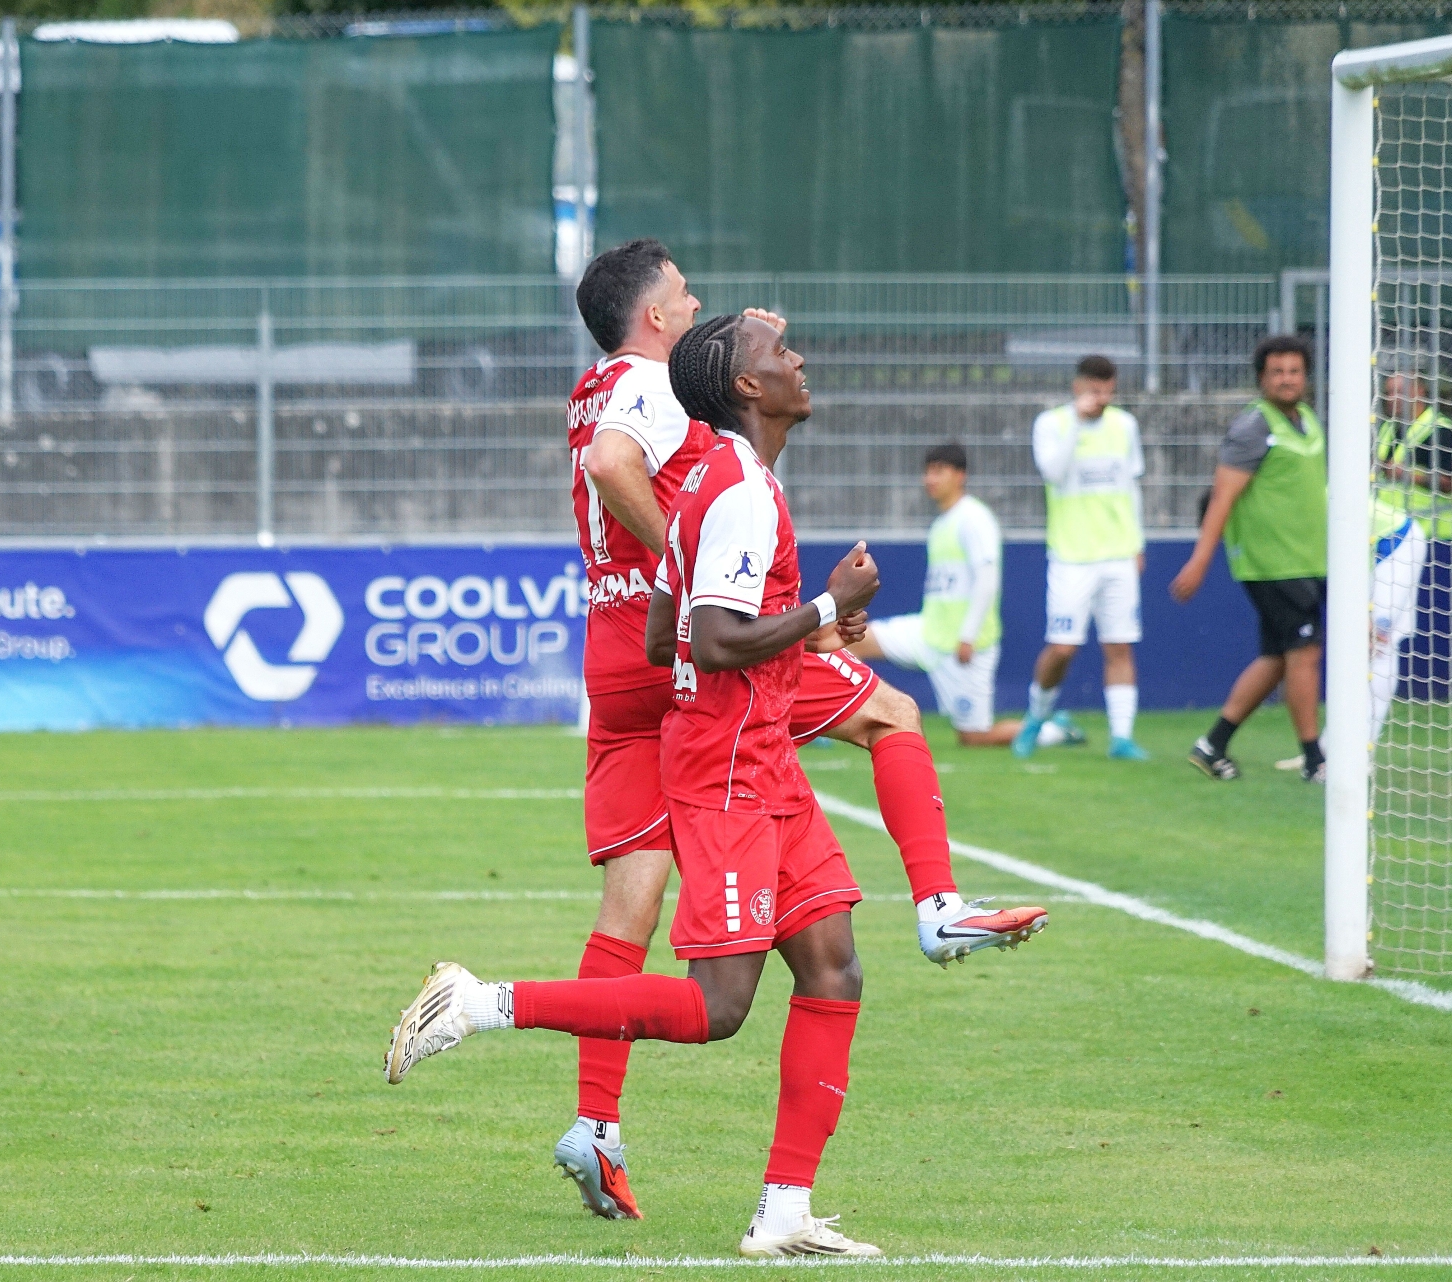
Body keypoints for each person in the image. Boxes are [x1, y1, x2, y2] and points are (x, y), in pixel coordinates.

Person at [387, 314, 1046, 1259]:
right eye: (778, 354)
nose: (797, 359)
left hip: (760, 756)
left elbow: (667, 634)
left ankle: (784, 1212)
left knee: (833, 967)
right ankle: (480, 1001)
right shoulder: (736, 487)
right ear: (746, 386)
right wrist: (827, 606)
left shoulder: (712, 479)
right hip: (730, 772)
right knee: (717, 1008)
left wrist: (797, 627)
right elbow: (712, 641)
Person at [557, 240, 1047, 1221]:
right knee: (893, 713)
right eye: (683, 294)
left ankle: (596, 1123)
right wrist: (697, 562)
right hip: (686, 650)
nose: (694, 302)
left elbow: (626, 454)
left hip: (617, 654)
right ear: (653, 317)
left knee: (630, 907)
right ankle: (937, 904)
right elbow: (621, 467)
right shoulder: (649, 383)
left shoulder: (591, 388)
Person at [1170, 335, 1327, 782]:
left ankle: (1213, 745)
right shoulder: (1253, 428)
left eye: (1294, 371)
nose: (1286, 380)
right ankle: (1314, 760)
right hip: (1271, 563)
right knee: (1305, 652)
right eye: (1277, 372)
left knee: (1278, 658)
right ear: (1261, 378)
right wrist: (1200, 559)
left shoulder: (1308, 420)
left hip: (1307, 560)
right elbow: (1222, 497)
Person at [1276, 371, 1449, 769]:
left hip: (1400, 546)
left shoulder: (1308, 502)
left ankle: (1357, 754)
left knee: (1377, 644)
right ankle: (1332, 749)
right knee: (1365, 646)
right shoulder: (1304, 499)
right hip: (1378, 552)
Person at [850, 443, 1055, 749]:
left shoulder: (974, 518)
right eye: (928, 472)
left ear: (960, 475)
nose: (930, 479)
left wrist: (968, 636)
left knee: (974, 737)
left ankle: (1052, 731)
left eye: (939, 471)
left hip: (965, 645)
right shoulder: (942, 523)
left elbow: (987, 580)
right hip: (929, 633)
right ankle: (830, 722)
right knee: (852, 639)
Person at [1012, 355, 1150, 761]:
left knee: (1119, 646)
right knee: (1062, 648)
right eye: (1094, 389)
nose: (1101, 397)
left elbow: (1132, 487)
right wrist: (1076, 421)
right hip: (1072, 555)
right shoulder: (1052, 424)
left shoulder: (1124, 425)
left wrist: (1137, 544)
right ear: (1077, 387)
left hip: (1118, 554)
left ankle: (1121, 738)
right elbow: (1053, 473)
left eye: (1108, 390)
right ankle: (1037, 715)